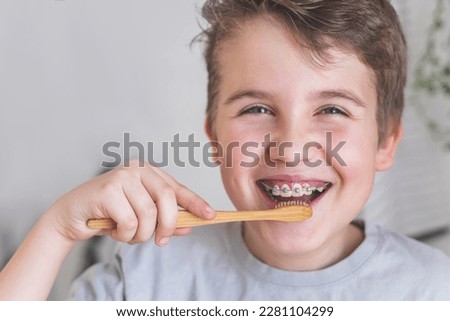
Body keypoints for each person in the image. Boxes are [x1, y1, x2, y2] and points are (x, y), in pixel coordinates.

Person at [1, 0, 450, 300]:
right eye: (257, 107)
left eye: (331, 109)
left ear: (385, 142)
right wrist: (57, 230)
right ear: (215, 139)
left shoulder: (433, 291)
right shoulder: (147, 277)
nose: (291, 149)